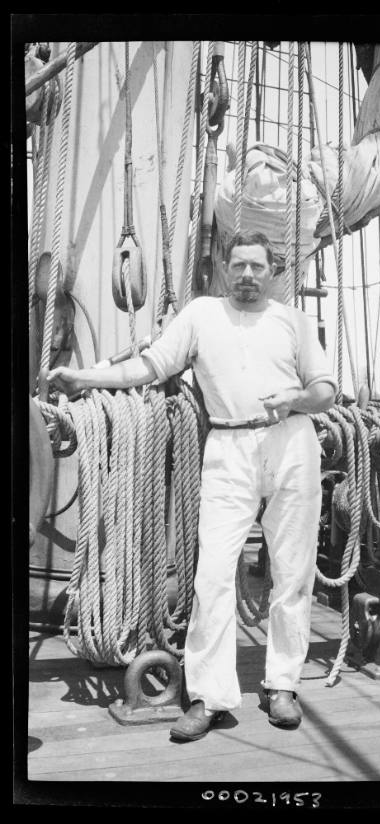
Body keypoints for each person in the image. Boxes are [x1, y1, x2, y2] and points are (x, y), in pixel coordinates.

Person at [47, 231, 336, 742]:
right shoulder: (201, 314)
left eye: (258, 267)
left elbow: (325, 390)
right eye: (239, 265)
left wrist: (296, 398)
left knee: (293, 576)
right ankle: (209, 697)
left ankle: (282, 686)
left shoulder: (294, 322)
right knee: (213, 577)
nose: (248, 275)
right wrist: (89, 378)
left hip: (292, 445)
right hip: (228, 447)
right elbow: (151, 365)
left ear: (274, 272)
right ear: (224, 268)